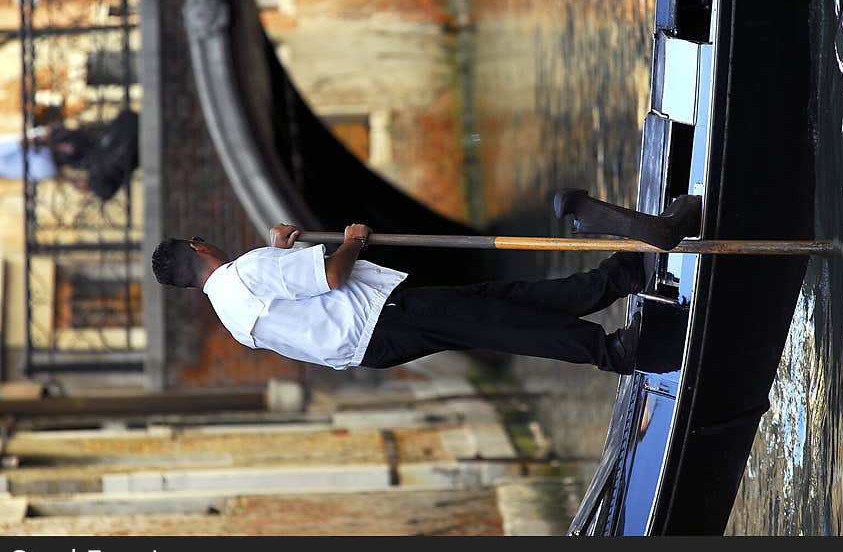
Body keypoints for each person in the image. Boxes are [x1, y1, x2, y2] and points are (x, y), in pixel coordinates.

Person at [151, 191, 702, 375]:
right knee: (501, 323)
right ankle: (613, 352)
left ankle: (614, 278)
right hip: (383, 317)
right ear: (200, 249)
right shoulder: (243, 270)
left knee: (497, 304)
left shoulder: (231, 313)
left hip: (372, 344)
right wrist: (354, 238)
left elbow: (296, 298)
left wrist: (277, 254)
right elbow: (329, 273)